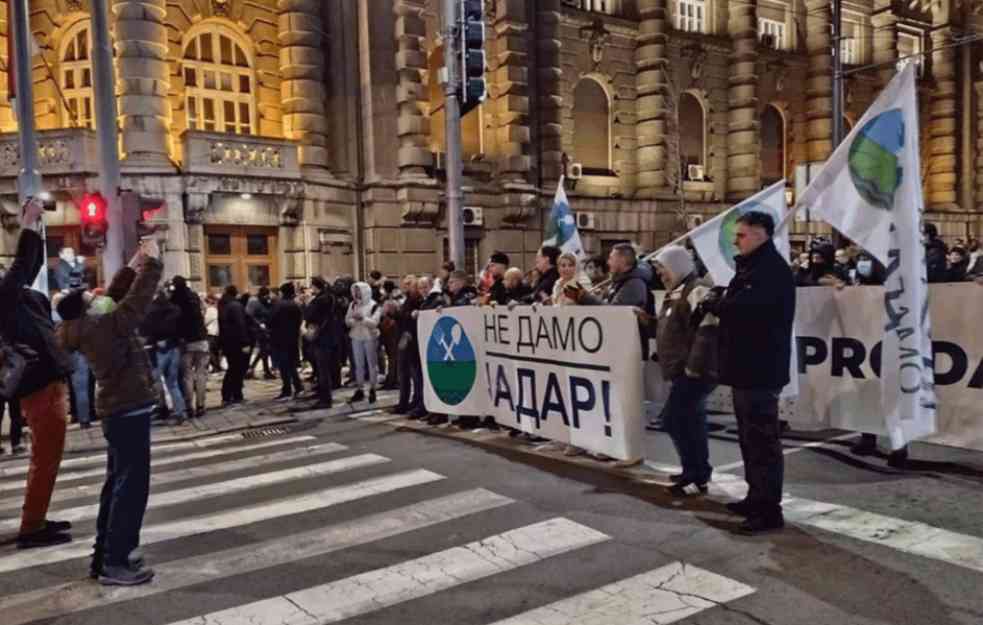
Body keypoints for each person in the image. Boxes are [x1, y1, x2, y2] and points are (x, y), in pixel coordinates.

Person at [56, 238, 162, 585]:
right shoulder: (102, 325)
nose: (97, 296)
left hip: (119, 411)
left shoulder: (88, 323)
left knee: (117, 484)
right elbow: (134, 304)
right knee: (132, 488)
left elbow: (113, 295)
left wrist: (134, 262)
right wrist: (153, 265)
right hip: (128, 408)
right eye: (91, 297)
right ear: (88, 309)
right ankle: (116, 562)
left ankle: (105, 555)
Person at [701, 211, 795, 535]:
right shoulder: (753, 267)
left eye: (740, 235)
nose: (734, 241)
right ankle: (756, 497)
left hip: (761, 368)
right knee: (749, 439)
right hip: (747, 366)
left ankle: (769, 510)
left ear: (760, 234)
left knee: (762, 442)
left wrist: (717, 305)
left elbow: (751, 311)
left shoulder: (771, 271)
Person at [1, 198, 75, 549]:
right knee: (45, 458)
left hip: (47, 381)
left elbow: (26, 269)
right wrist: (29, 223)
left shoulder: (12, 295)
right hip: (40, 384)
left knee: (48, 458)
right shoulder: (4, 296)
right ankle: (32, 526)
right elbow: (21, 268)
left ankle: (36, 518)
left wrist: (37, 226)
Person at [637, 246, 718, 495]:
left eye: (664, 269)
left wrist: (693, 367)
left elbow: (708, 330)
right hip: (683, 370)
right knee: (692, 421)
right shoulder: (676, 293)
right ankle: (697, 471)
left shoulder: (695, 291)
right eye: (659, 270)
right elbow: (672, 329)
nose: (661, 274)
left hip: (694, 372)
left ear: (678, 266)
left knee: (674, 420)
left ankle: (695, 470)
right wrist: (648, 323)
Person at [141, 286, 188, 425]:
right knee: (172, 383)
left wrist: (152, 340)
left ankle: (161, 408)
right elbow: (181, 328)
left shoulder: (151, 310)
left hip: (157, 350)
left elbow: (146, 329)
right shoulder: (175, 309)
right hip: (174, 347)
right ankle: (180, 412)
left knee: (155, 381)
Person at [171, 276, 210, 419]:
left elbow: (174, 321)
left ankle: (189, 407)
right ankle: (201, 406)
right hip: (201, 339)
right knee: (201, 374)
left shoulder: (174, 298)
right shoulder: (194, 296)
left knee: (187, 376)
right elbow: (203, 312)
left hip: (185, 342)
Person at [390, 275, 424, 416]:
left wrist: (399, 314)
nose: (406, 286)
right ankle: (403, 402)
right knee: (403, 373)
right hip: (402, 339)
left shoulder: (417, 300)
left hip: (412, 340)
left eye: (409, 283)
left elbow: (412, 319)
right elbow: (404, 317)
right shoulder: (406, 299)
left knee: (415, 375)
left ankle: (417, 401)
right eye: (404, 284)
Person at [302, 277, 338, 410]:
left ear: (316, 286)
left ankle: (325, 399)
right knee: (324, 369)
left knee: (323, 370)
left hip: (322, 338)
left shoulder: (320, 300)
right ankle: (323, 395)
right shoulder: (330, 297)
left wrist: (307, 303)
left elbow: (309, 315)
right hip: (329, 336)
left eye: (312, 286)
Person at [346, 282, 381, 404]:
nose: (357, 293)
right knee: (358, 364)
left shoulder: (374, 305)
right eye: (355, 291)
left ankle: (373, 388)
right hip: (356, 336)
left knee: (371, 364)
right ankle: (360, 388)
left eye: (359, 291)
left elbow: (375, 323)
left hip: (369, 337)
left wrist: (363, 318)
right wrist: (353, 320)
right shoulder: (353, 304)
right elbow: (347, 320)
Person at [269, 282, 305, 399]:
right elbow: (299, 321)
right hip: (292, 339)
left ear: (282, 292)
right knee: (291, 365)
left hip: (280, 339)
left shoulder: (279, 305)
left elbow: (271, 320)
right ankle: (298, 387)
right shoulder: (295, 305)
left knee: (284, 366)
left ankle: (287, 389)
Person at [218, 285, 251, 405]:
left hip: (228, 342)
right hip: (237, 343)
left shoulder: (223, 305)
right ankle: (233, 395)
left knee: (233, 368)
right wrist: (245, 342)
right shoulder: (235, 306)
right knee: (237, 369)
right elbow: (240, 325)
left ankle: (230, 395)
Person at [245, 287, 274, 379]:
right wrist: (259, 324)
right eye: (265, 296)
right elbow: (249, 315)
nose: (267, 297)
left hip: (264, 330)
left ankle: (257, 369)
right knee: (261, 350)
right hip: (254, 329)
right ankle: (250, 369)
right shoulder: (254, 302)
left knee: (265, 350)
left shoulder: (266, 302)